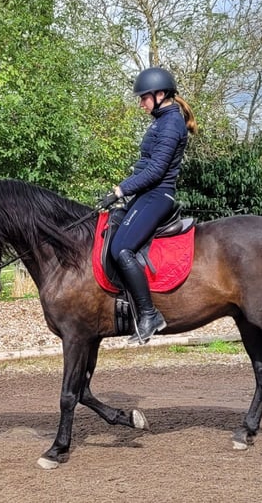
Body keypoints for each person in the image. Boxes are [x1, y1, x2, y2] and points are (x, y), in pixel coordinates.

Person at [99, 67, 198, 344]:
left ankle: (149, 314)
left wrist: (121, 189)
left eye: (144, 97)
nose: (141, 103)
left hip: (158, 195)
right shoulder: (160, 121)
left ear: (160, 94)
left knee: (121, 248)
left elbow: (155, 171)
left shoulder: (171, 123)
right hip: (146, 195)